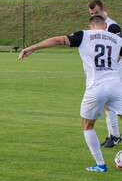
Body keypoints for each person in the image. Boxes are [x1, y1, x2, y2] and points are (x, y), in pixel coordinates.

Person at [19, 15, 122, 172]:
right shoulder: (116, 38)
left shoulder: (84, 35)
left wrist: (32, 47)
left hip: (96, 87)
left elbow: (59, 40)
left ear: (91, 25)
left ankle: (100, 165)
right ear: (105, 26)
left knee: (87, 125)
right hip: (116, 85)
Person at [88, 0, 122, 148]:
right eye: (91, 14)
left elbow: (120, 48)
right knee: (107, 103)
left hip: (115, 69)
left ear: (103, 11)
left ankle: (114, 135)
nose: (94, 15)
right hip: (105, 70)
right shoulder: (96, 27)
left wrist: (113, 64)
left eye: (96, 12)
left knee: (112, 102)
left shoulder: (113, 27)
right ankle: (114, 135)